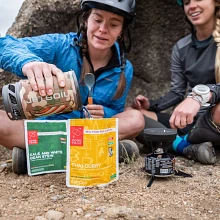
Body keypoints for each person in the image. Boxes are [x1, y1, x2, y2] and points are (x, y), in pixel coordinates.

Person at [0, 0, 144, 174]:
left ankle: (46, 154)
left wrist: (105, 113)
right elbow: (5, 45)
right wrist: (29, 62)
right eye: (97, 20)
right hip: (48, 128)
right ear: (86, 19)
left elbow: (116, 109)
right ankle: (99, 151)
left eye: (113, 24)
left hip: (91, 129)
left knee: (136, 118)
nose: (103, 29)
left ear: (121, 31)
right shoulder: (61, 45)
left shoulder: (125, 69)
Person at [129, 0, 220, 164]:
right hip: (189, 121)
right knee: (132, 114)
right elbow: (177, 93)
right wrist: (151, 104)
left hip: (214, 120)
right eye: (186, 2)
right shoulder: (182, 47)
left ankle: (177, 143)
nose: (191, 6)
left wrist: (199, 97)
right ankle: (186, 146)